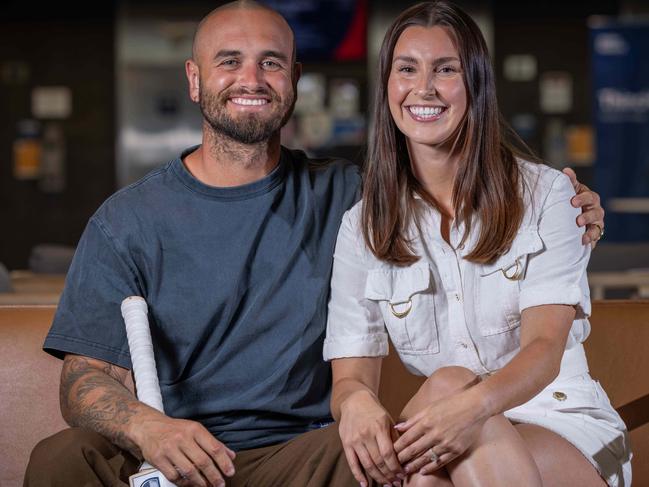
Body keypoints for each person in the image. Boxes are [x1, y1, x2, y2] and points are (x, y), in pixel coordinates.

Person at [25, 1, 605, 486]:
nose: (251, 80)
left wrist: (573, 207)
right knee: (59, 458)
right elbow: (83, 381)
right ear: (195, 79)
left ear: (294, 79)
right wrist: (149, 428)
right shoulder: (125, 221)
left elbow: (451, 190)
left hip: (305, 454)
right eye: (230, 62)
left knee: (393, 453)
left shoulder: (355, 198)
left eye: (270, 63)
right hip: (176, 451)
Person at [324, 2, 630, 487]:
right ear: (387, 87)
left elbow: (545, 349)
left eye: (445, 69)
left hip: (565, 425)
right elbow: (350, 379)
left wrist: (471, 407)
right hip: (444, 430)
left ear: (476, 84)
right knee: (438, 438)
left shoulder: (547, 194)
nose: (423, 88)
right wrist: (355, 404)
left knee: (442, 421)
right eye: (407, 69)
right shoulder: (363, 226)